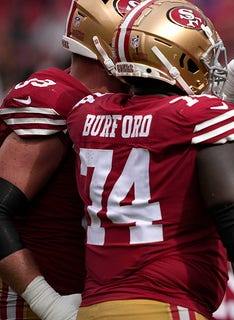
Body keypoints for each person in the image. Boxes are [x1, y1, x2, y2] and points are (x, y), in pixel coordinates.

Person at [64, 0, 234, 319]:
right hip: (166, 306)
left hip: (94, 306)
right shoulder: (202, 117)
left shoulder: (86, 115)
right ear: (178, 57)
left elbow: (151, 127)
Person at [0, 1, 136, 319]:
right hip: (33, 305)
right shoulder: (60, 102)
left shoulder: (118, 105)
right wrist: (45, 300)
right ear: (108, 45)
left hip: (91, 298)